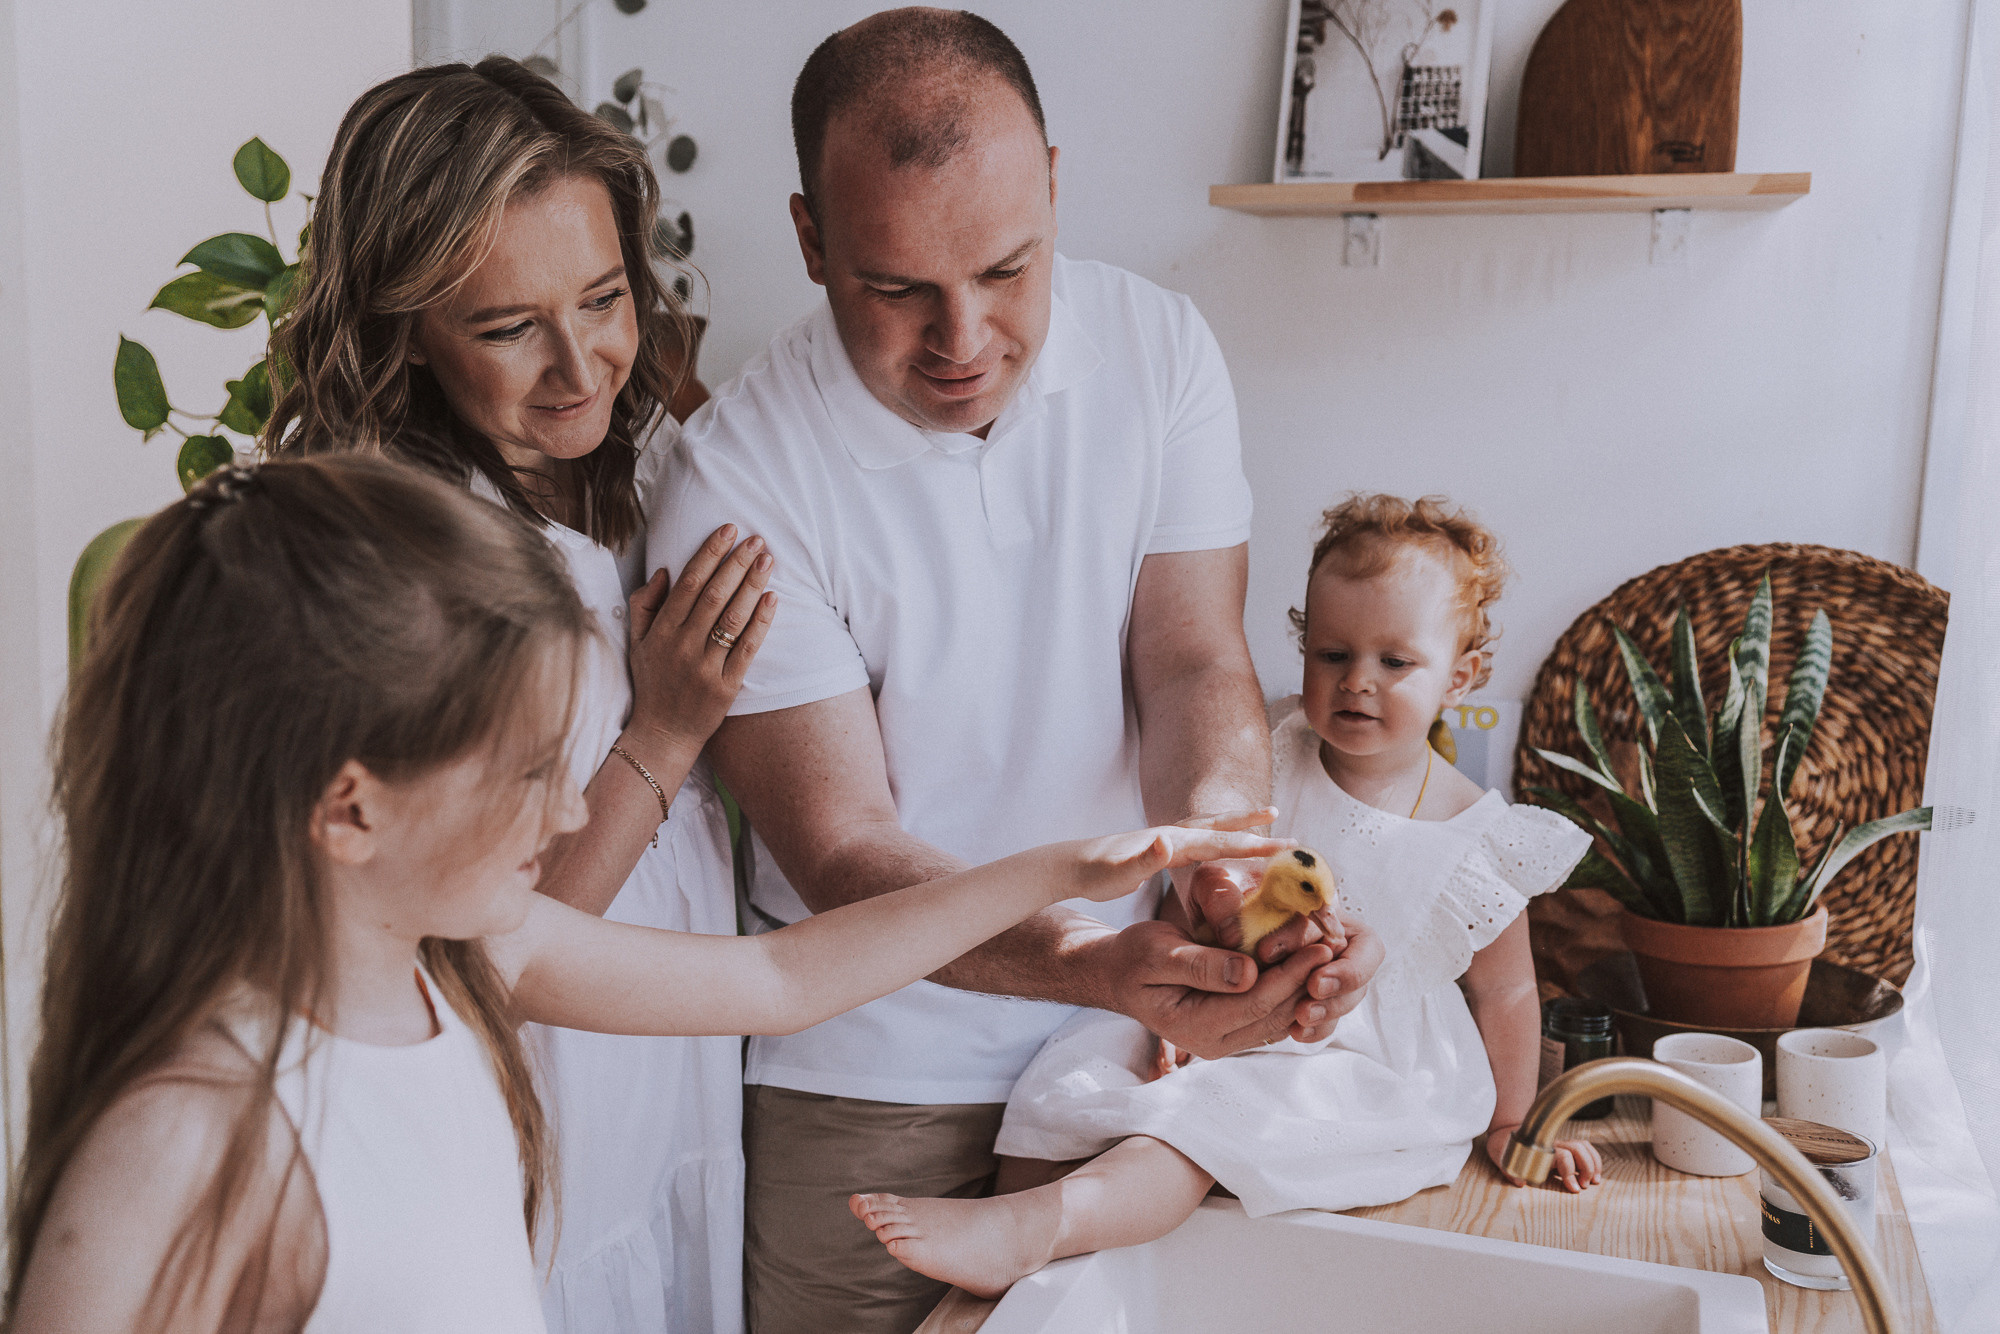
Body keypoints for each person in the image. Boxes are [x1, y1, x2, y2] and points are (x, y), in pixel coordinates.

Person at [4, 455, 1293, 1333]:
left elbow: (782, 975)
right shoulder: (184, 1146)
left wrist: (1069, 871)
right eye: (525, 774)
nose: (573, 813)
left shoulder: (460, 958)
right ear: (350, 807)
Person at [650, 11, 1382, 1330]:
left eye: (1006, 268)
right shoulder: (735, 483)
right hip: (871, 1076)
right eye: (897, 289)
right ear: (812, 239)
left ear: (1054, 179)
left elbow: (1192, 660)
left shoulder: (1160, 355)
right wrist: (1094, 956)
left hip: (1133, 1048)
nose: (964, 336)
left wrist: (1239, 881)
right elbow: (846, 850)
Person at [263, 59, 759, 1332]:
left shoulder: (622, 464)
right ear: (400, 332)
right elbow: (489, 942)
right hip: (548, 1101)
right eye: (505, 327)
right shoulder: (416, 559)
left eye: (602, 298)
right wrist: (665, 730)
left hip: (666, 1082)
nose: (578, 362)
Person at [851, 493, 1605, 1298]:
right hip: (1221, 996)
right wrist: (1169, 997)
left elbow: (1508, 988)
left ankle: (1036, 1229)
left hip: (1362, 1057)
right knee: (1071, 1077)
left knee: (1198, 1125)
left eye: (1395, 663)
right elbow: (1198, 896)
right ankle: (1013, 1266)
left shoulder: (1476, 834)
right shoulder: (1268, 754)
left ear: (1462, 675)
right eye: (1331, 655)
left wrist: (1512, 1120)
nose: (1357, 683)